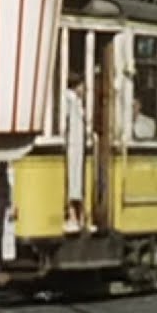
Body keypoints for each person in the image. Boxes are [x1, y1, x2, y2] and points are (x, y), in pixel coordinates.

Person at [63, 72, 87, 233]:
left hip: (77, 146)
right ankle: (72, 216)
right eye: (83, 85)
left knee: (76, 181)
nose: (85, 89)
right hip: (73, 146)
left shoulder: (75, 101)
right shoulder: (69, 100)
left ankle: (79, 217)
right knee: (73, 181)